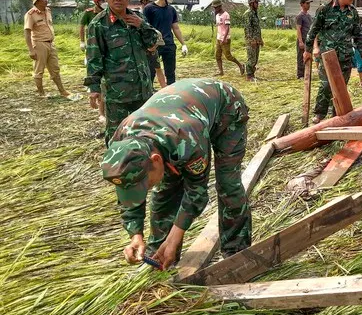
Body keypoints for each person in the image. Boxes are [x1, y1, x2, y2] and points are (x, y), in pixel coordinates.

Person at [101, 78, 250, 269]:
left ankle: (235, 253)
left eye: (145, 185)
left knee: (228, 184)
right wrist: (135, 235)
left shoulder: (186, 141)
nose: (144, 190)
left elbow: (196, 192)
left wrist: (175, 237)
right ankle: (158, 256)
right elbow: (127, 189)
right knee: (166, 190)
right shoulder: (120, 144)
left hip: (226, 109)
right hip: (179, 117)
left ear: (155, 160)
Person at [84, 0, 159, 143]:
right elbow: (94, 58)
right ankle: (116, 166)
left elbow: (153, 43)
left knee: (145, 132)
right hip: (118, 93)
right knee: (117, 135)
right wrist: (94, 88)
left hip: (143, 89)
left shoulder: (138, 19)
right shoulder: (98, 25)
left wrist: (142, 25)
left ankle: (143, 164)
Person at [305, 0, 362, 123]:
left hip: (345, 57)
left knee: (341, 89)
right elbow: (313, 31)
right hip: (327, 57)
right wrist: (308, 50)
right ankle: (320, 114)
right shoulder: (325, 10)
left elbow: (358, 35)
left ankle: (337, 116)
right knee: (325, 85)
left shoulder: (353, 13)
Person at [24, 0, 70, 97]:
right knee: (39, 70)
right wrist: (31, 50)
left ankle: (62, 91)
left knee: (55, 69)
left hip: (51, 43)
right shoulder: (30, 14)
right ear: (37, 1)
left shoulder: (48, 11)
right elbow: (27, 33)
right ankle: (41, 93)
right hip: (39, 44)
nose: (46, 0)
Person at [143, 0, 188, 85]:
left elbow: (175, 27)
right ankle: (148, 93)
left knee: (170, 72)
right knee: (151, 71)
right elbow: (144, 27)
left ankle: (171, 93)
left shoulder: (171, 10)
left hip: (168, 44)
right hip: (154, 45)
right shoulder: (149, 9)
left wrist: (183, 44)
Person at [80, 0, 107, 122]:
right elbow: (81, 27)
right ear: (97, 2)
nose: (104, 2)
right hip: (94, 46)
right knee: (100, 83)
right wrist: (82, 41)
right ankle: (101, 113)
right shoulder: (89, 14)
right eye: (102, 0)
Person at [138, 0, 167, 89]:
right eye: (150, 1)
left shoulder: (150, 13)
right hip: (142, 47)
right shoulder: (137, 16)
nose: (152, 3)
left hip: (152, 42)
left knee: (156, 68)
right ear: (144, 1)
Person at [212, 0, 244, 76]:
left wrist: (224, 38)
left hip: (225, 38)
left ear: (220, 6)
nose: (215, 9)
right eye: (214, 7)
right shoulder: (217, 15)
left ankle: (240, 65)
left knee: (228, 56)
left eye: (216, 7)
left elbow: (227, 28)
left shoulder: (226, 15)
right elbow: (217, 24)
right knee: (217, 56)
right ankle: (221, 72)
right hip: (218, 38)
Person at [244, 0, 263, 81]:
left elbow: (257, 28)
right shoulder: (248, 13)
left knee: (255, 59)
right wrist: (251, 40)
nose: (257, 4)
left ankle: (252, 74)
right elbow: (248, 28)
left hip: (256, 40)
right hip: (251, 40)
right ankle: (249, 76)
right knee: (251, 58)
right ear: (251, 3)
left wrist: (260, 39)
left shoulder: (255, 13)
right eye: (256, 3)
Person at [295, 0, 313, 79]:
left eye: (309, 3)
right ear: (302, 4)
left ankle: (307, 73)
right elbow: (298, 29)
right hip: (302, 39)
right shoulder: (300, 16)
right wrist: (300, 41)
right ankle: (300, 75)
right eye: (307, 3)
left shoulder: (309, 16)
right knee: (300, 57)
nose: (309, 5)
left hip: (308, 40)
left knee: (308, 56)